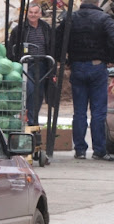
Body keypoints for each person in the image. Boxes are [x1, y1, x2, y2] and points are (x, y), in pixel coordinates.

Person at [56, 0, 114, 161]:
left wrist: (65, 59)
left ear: (81, 2)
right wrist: (110, 58)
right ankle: (99, 150)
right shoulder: (104, 19)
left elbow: (58, 40)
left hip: (77, 67)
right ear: (96, 2)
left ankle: (80, 150)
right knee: (98, 111)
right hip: (97, 67)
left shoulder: (70, 18)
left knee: (79, 111)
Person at [8, 2, 52, 126]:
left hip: (42, 64)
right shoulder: (20, 29)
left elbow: (51, 45)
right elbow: (11, 47)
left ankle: (34, 119)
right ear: (27, 14)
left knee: (39, 93)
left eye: (35, 13)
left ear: (40, 14)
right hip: (26, 64)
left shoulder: (45, 28)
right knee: (29, 90)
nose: (33, 15)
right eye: (30, 12)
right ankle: (27, 118)